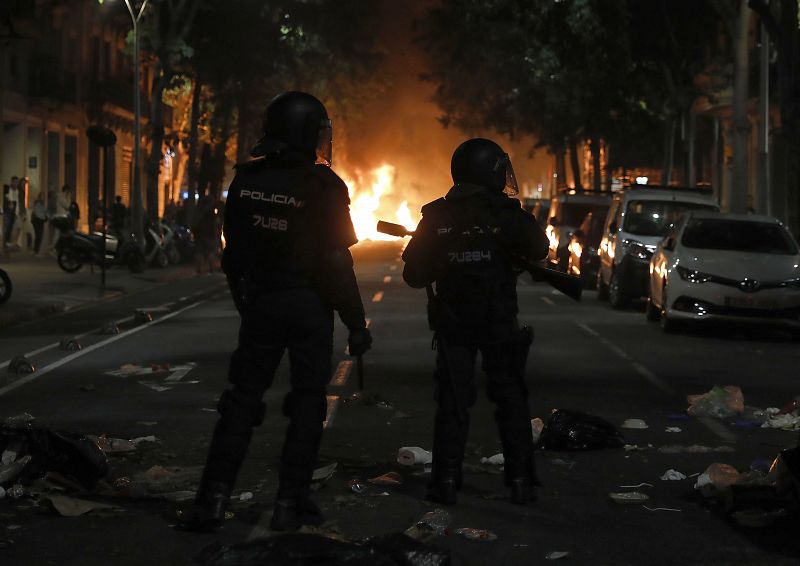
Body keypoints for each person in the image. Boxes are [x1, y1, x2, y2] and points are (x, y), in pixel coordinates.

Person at [181, 91, 372, 532]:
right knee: (307, 405)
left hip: (262, 303)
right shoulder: (325, 187)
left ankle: (212, 499)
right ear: (308, 133)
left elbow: (233, 253)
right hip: (308, 307)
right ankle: (290, 501)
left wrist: (245, 301)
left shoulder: (246, 180)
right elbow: (337, 263)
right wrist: (355, 322)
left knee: (241, 400)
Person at [401, 138, 550, 506]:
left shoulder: (437, 216)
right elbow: (540, 248)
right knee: (511, 400)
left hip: (454, 326)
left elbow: (414, 275)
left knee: (453, 402)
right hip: (498, 322)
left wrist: (444, 258)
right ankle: (520, 481)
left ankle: (446, 482)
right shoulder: (505, 213)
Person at [192, 198, 219, 275]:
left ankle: (198, 269)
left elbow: (194, 223)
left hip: (200, 235)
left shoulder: (199, 211)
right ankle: (211, 269)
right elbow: (216, 223)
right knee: (210, 251)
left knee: (199, 252)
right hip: (210, 234)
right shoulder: (212, 212)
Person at [3, 176, 20, 247]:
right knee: (7, 226)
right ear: (12, 182)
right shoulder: (6, 189)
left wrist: (16, 212)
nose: (16, 184)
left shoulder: (17, 191)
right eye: (14, 182)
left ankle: (7, 242)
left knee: (10, 227)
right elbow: (6, 198)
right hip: (7, 210)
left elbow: (17, 202)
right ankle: (4, 242)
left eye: (17, 182)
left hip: (13, 211)